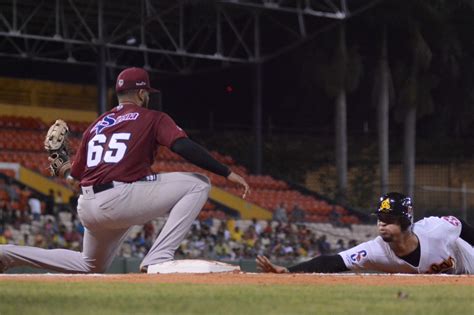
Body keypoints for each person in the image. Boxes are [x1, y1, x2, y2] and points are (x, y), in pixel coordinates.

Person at [0, 67, 249, 274]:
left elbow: (73, 181)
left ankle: (6, 254)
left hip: (88, 205)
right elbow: (182, 146)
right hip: (120, 199)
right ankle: (158, 257)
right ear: (141, 93)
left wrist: (64, 169)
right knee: (199, 183)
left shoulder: (95, 126)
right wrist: (227, 172)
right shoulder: (152, 117)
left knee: (90, 265)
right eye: (146, 92)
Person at [257, 192, 474, 274]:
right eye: (380, 218)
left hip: (468, 263)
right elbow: (331, 262)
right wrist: (289, 271)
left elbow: (461, 225)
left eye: (388, 220)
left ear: (405, 221)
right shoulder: (376, 250)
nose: (382, 224)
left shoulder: (435, 230)